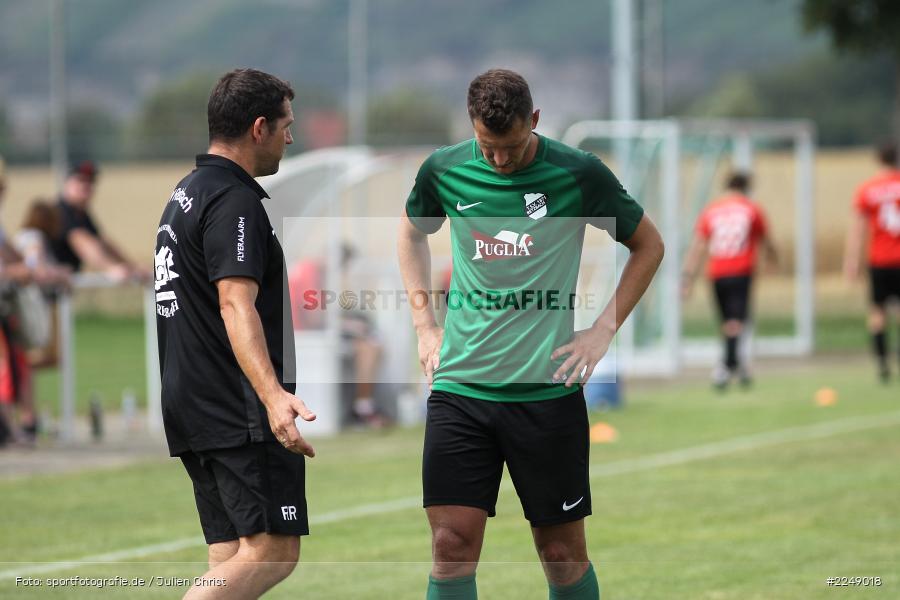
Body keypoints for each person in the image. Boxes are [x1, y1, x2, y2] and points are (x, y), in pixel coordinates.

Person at [397, 69, 664, 600]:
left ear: (535, 121)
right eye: (487, 147)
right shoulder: (444, 169)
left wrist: (601, 331)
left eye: (512, 147)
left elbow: (648, 245)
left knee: (561, 553)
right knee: (451, 544)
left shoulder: (578, 173)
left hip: (546, 394)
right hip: (461, 391)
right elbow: (410, 233)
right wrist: (426, 326)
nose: (499, 159)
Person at [155, 68, 315, 599]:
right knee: (272, 552)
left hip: (193, 402)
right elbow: (233, 301)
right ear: (259, 127)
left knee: (230, 556)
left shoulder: (187, 192)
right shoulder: (232, 199)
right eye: (287, 126)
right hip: (235, 408)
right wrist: (273, 399)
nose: (291, 138)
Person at [681, 171, 777, 389]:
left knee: (728, 322)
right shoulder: (752, 209)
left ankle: (738, 365)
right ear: (746, 188)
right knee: (736, 322)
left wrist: (687, 277)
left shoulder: (712, 210)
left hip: (716, 272)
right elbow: (766, 240)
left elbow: (698, 246)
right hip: (740, 270)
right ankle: (726, 367)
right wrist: (773, 260)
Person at [288, 243, 388, 428]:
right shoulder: (311, 271)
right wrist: (348, 325)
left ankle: (361, 406)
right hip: (306, 337)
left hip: (303, 334)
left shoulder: (306, 269)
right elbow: (314, 318)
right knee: (369, 346)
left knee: (365, 340)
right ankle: (363, 408)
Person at [844, 143, 900, 382]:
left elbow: (858, 229)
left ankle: (881, 362)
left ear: (878, 160)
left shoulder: (867, 189)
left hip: (878, 259)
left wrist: (851, 261)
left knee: (877, 312)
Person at [49, 159, 147, 280]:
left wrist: (131, 267)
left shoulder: (81, 213)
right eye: (80, 180)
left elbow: (101, 242)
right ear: (67, 183)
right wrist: (111, 268)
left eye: (91, 181)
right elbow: (81, 241)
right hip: (41, 286)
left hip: (57, 284)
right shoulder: (60, 211)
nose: (86, 185)